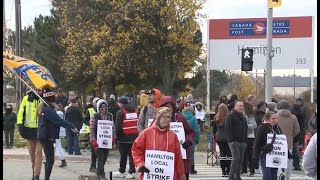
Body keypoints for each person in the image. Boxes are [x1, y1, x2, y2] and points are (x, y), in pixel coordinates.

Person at [131, 107, 186, 180]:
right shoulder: (146, 133)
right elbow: (136, 150)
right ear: (158, 117)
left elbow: (178, 157)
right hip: (149, 175)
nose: (167, 119)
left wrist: (181, 174)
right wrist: (140, 164)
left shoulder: (173, 136)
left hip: (169, 176)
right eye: (164, 117)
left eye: (169, 117)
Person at [37, 87, 78, 180]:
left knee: (49, 159)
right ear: (51, 100)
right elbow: (58, 121)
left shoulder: (45, 108)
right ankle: (46, 178)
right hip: (46, 137)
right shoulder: (48, 110)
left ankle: (46, 176)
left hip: (45, 136)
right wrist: (71, 127)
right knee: (50, 160)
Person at [159, 96, 195, 180]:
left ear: (173, 107)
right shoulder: (157, 120)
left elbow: (190, 132)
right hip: (163, 158)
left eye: (170, 106)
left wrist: (187, 141)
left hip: (180, 156)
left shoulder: (180, 118)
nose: (168, 108)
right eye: (166, 106)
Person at [17, 89, 43, 180]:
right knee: (32, 153)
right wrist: (20, 125)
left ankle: (36, 174)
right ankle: (34, 171)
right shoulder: (26, 98)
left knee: (38, 153)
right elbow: (20, 113)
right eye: (36, 89)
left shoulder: (43, 100)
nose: (38, 91)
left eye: (40, 89)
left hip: (40, 130)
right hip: (29, 130)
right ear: (33, 89)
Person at [113, 97, 138, 179]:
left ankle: (122, 171)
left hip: (123, 138)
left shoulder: (120, 112)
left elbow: (118, 126)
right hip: (134, 137)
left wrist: (117, 137)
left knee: (123, 155)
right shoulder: (135, 111)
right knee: (132, 155)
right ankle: (132, 172)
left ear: (121, 104)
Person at [253, 111, 283, 180]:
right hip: (265, 155)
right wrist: (255, 156)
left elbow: (282, 141)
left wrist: (287, 152)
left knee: (274, 176)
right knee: (267, 176)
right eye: (273, 119)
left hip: (275, 155)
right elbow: (257, 142)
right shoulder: (262, 128)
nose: (275, 120)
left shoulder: (277, 128)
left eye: (276, 118)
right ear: (267, 119)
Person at [90, 99, 114, 179]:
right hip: (97, 140)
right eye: (101, 109)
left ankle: (100, 173)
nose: (103, 110)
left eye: (105, 108)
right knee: (100, 157)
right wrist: (93, 140)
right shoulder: (95, 116)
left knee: (105, 157)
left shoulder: (110, 115)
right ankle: (100, 174)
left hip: (107, 140)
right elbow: (92, 129)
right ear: (98, 108)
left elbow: (112, 127)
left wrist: (113, 137)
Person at [276, 100, 300, 180]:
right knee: (288, 160)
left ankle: (279, 175)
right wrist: (291, 136)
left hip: (276, 142)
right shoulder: (293, 117)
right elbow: (297, 130)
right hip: (288, 142)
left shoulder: (275, 116)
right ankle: (287, 176)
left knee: (277, 159)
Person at [224, 100, 247, 180]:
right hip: (234, 141)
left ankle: (238, 175)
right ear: (235, 106)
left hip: (242, 141)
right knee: (236, 158)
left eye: (242, 106)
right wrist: (231, 140)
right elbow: (227, 129)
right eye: (239, 106)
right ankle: (231, 175)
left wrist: (245, 140)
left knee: (241, 159)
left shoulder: (243, 116)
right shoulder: (230, 116)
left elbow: (245, 128)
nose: (241, 107)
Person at [212, 103, 232, 177]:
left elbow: (214, 129)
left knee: (222, 153)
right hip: (227, 137)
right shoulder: (229, 117)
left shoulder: (216, 117)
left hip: (219, 137)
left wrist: (215, 136)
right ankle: (228, 169)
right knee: (229, 153)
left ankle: (223, 170)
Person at [182, 105, 200, 175]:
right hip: (191, 139)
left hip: (182, 139)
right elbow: (196, 131)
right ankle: (192, 169)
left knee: (183, 154)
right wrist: (197, 140)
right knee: (191, 154)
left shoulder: (181, 118)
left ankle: (184, 168)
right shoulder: (194, 118)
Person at [242, 102, 257, 176]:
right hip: (242, 136)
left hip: (249, 136)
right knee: (243, 154)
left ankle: (252, 169)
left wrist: (245, 125)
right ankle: (243, 169)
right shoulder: (240, 115)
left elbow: (254, 125)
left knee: (249, 154)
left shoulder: (249, 115)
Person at [291, 103, 304, 171]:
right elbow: (301, 126)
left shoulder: (291, 115)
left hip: (289, 134)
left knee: (288, 149)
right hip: (297, 134)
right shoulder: (300, 115)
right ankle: (296, 164)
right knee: (296, 150)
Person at [55, 103, 68, 167]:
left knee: (58, 146)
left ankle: (63, 160)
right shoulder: (62, 113)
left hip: (56, 131)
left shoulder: (57, 113)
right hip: (60, 130)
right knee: (55, 146)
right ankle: (50, 159)